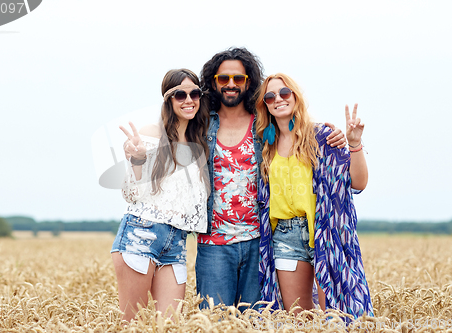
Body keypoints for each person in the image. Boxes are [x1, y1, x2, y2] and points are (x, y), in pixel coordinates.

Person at [195, 47, 346, 310]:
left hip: (260, 242)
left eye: (238, 79)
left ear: (249, 82)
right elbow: (170, 134)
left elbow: (298, 131)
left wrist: (339, 137)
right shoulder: (201, 126)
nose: (231, 84)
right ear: (213, 82)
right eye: (223, 79)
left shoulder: (264, 126)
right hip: (214, 244)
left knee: (258, 323)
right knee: (213, 323)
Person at [255, 73, 374, 318]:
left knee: (337, 315)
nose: (278, 99)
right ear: (265, 105)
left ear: (295, 97)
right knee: (298, 318)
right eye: (270, 96)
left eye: (284, 93)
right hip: (285, 238)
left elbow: (358, 182)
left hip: (325, 233)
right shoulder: (265, 146)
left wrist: (354, 144)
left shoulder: (321, 137)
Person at [111, 69, 210, 321]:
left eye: (194, 93)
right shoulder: (152, 133)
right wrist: (137, 160)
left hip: (177, 242)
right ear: (168, 99)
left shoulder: (200, 140)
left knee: (169, 324)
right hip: (141, 234)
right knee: (131, 323)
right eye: (180, 94)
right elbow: (131, 193)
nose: (189, 100)